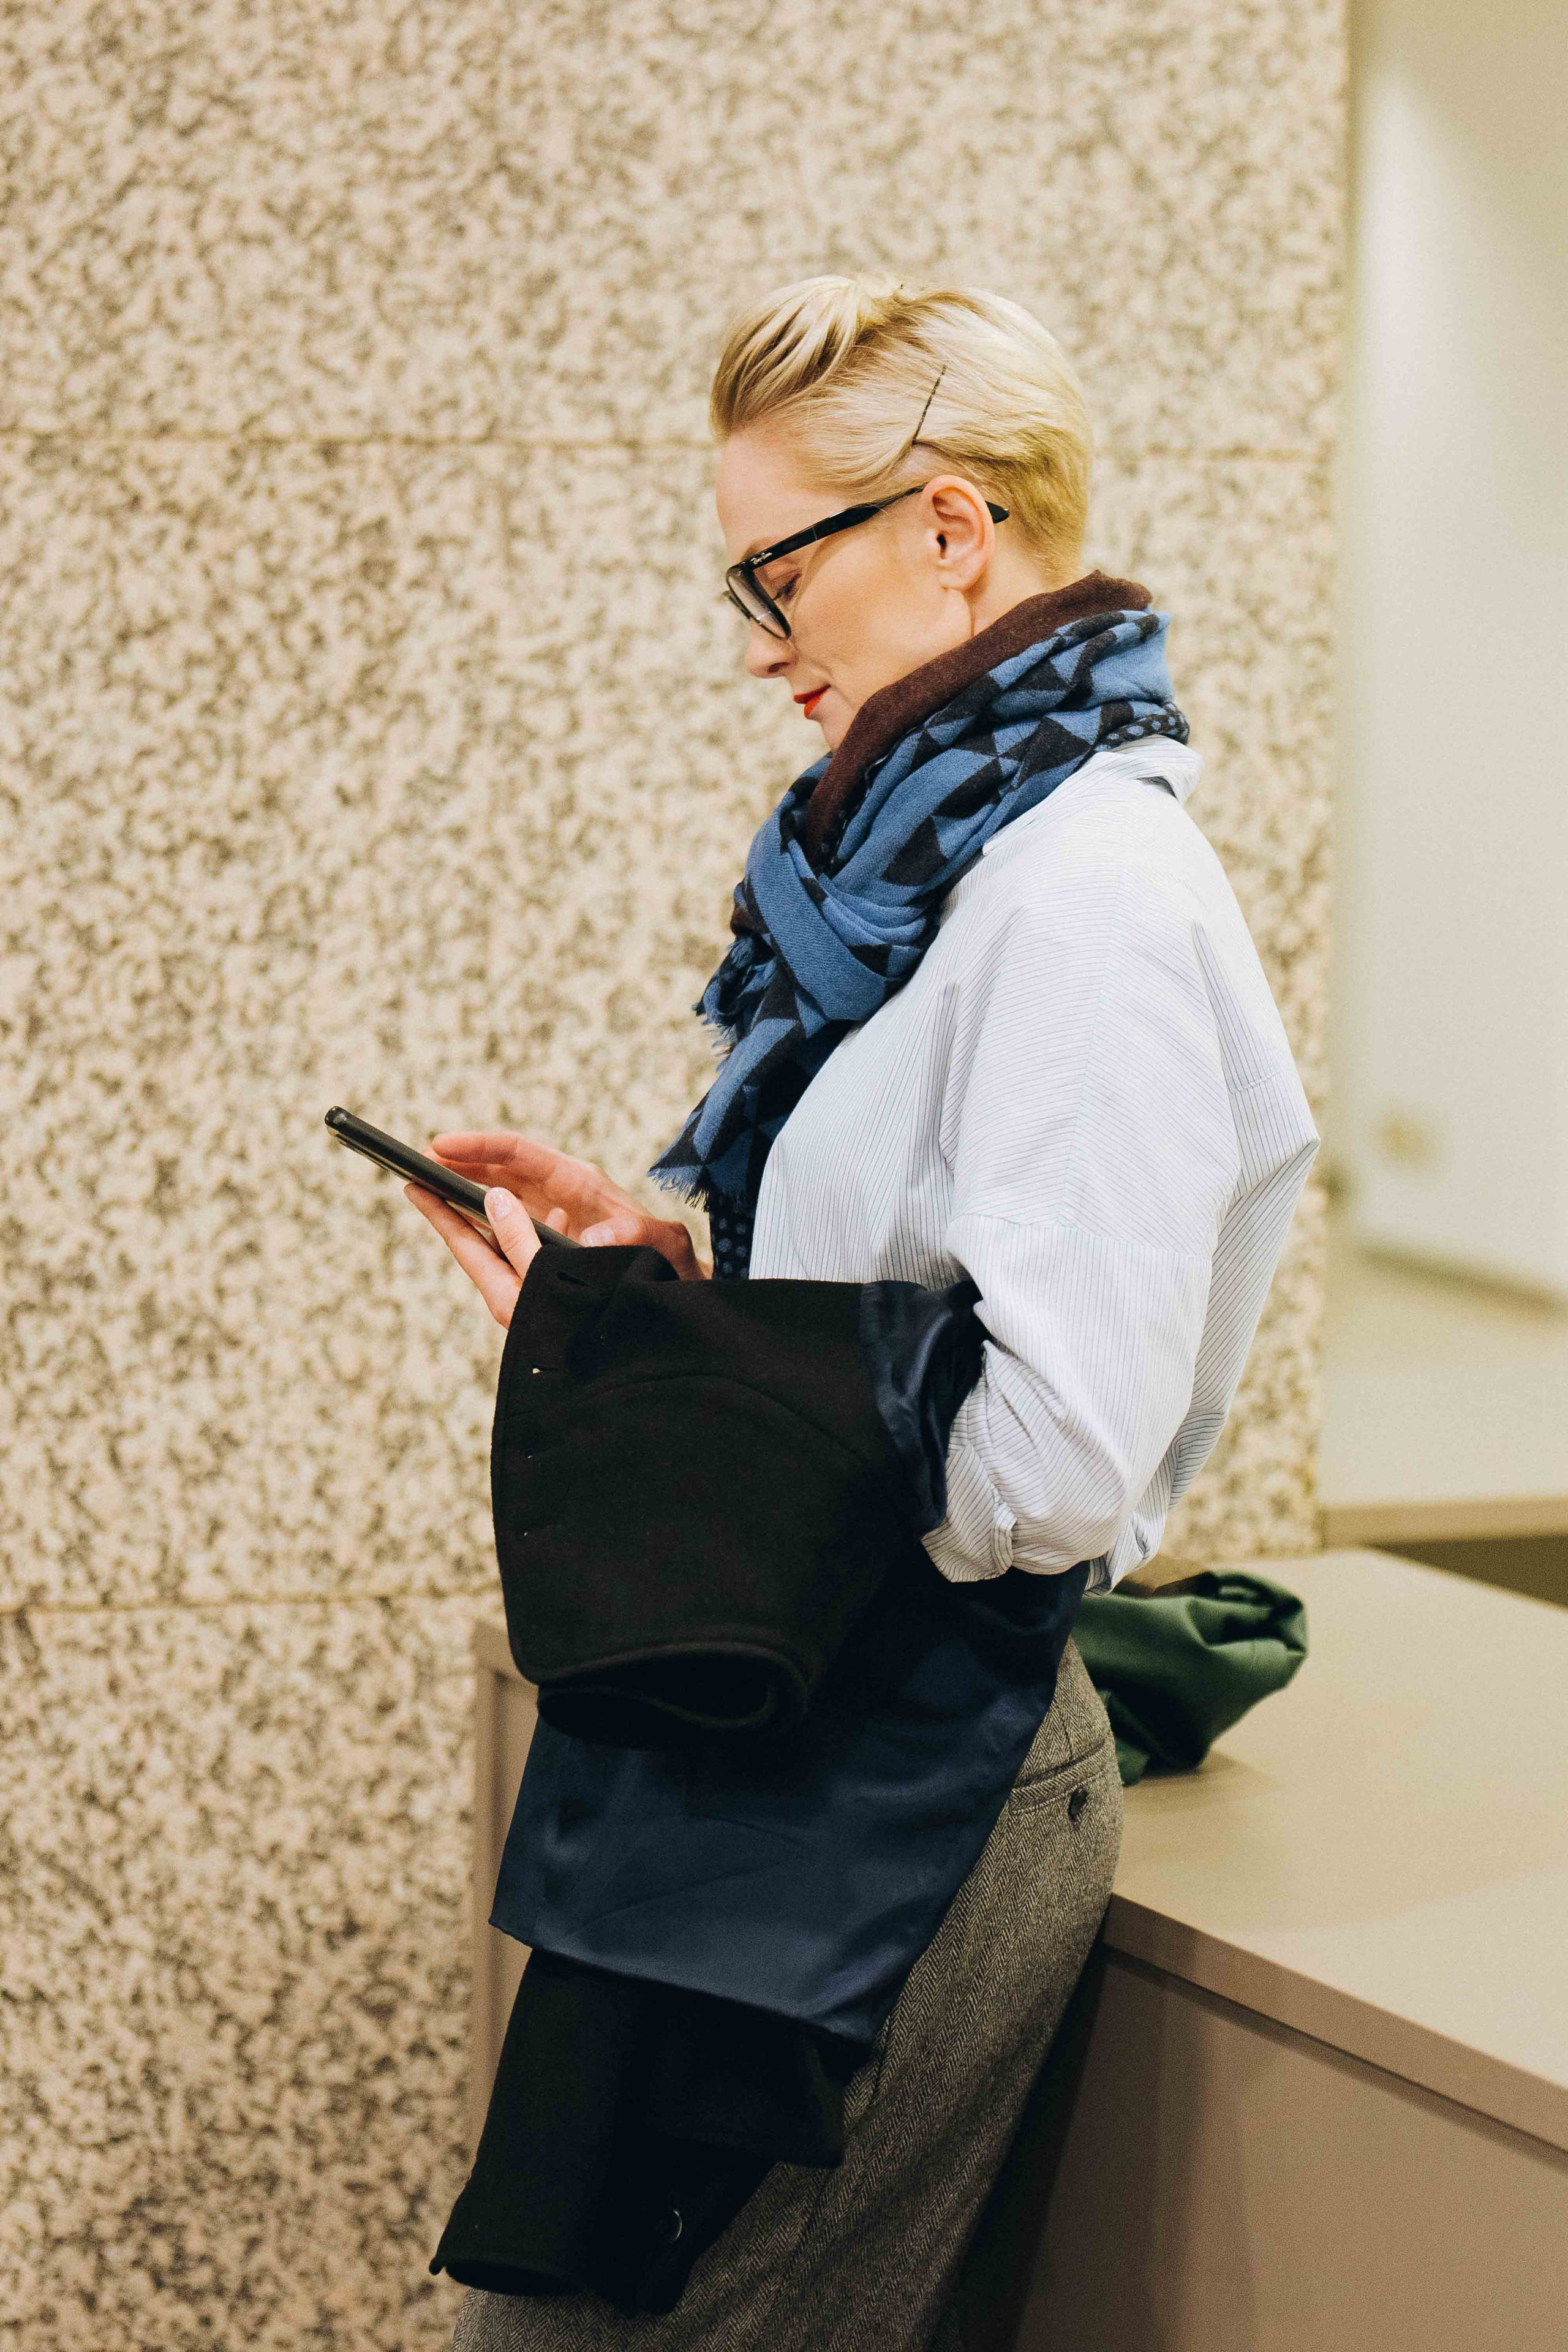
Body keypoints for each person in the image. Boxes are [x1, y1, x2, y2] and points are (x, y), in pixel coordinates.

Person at [407, 277, 1317, 2351]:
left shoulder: (1085, 899)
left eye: (773, 571)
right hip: (790, 1740)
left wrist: (709, 1390)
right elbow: (897, 1326)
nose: (754, 642)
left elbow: (1049, 1457)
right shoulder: (938, 875)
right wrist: (670, 1296)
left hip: (915, 1773)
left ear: (950, 528)